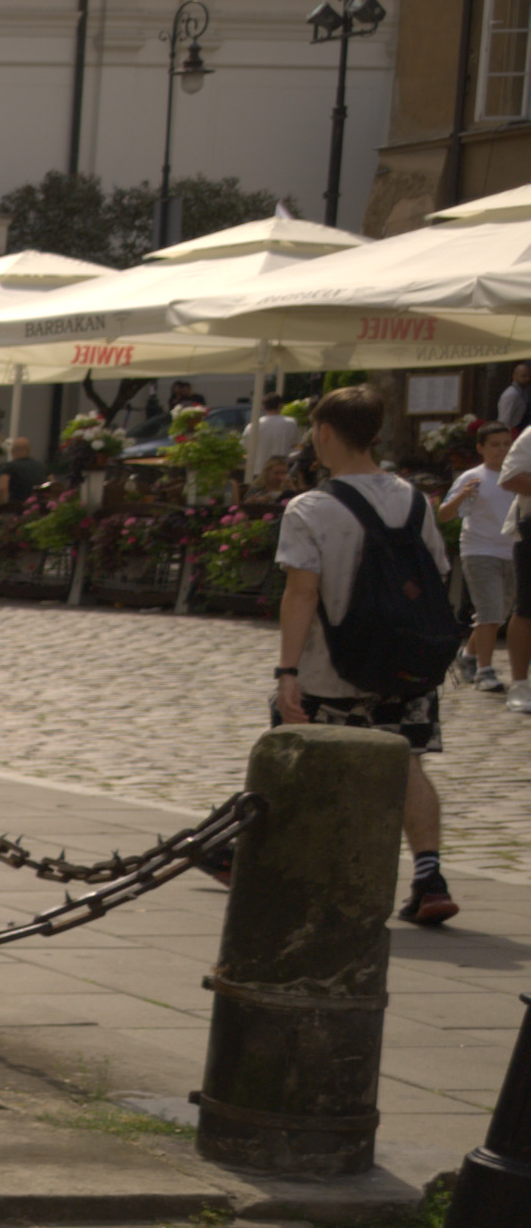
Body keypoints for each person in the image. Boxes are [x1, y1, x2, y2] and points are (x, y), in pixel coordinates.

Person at [275, 386, 463, 925]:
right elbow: (437, 574)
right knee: (405, 760)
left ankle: (295, 869)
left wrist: (287, 670)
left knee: (297, 759)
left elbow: (302, 593)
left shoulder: (310, 507)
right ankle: (429, 874)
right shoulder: (412, 498)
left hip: (330, 667)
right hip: (406, 663)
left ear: (326, 433)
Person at [440, 420, 525, 707]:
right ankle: (484, 671)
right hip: (480, 550)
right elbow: (445, 514)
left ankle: (469, 656)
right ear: (481, 448)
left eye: (505, 444)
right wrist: (462, 496)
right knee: (489, 612)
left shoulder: (519, 475)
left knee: (499, 613)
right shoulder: (472, 477)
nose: (501, 450)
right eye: (494, 445)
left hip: (512, 550)